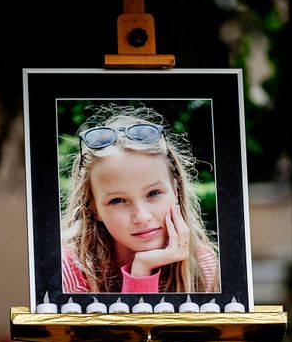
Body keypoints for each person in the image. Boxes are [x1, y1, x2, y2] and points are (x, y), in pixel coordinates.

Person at [60, 105, 219, 294]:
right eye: (118, 200)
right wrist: (141, 272)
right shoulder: (67, 271)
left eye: (153, 193)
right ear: (94, 208)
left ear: (176, 191)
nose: (142, 217)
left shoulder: (202, 264)